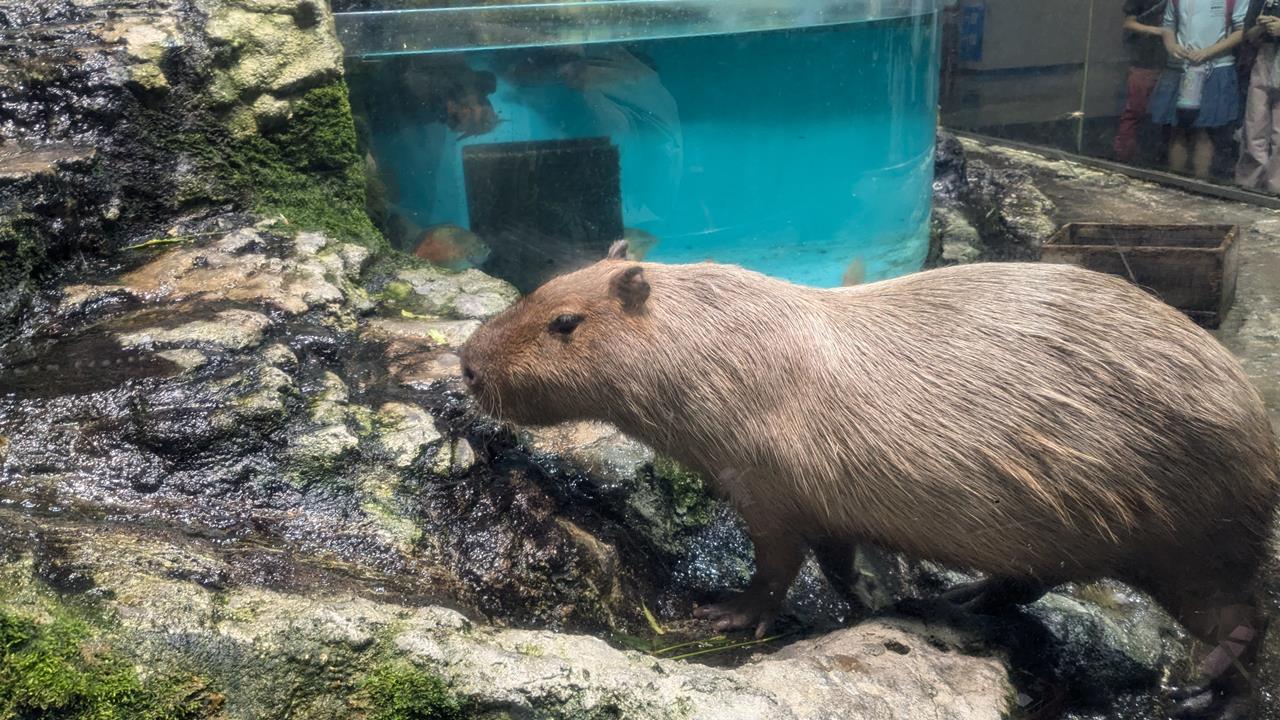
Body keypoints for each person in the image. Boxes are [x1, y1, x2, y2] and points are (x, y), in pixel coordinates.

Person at [1148, 0, 1249, 179]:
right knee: (1178, 129)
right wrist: (1171, 46)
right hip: (1180, 68)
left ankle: (1200, 185)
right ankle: (1174, 183)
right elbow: (1168, 26)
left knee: (1205, 131)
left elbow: (1241, 31)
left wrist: (1209, 52)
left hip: (1216, 67)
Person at [1116, 0, 1169, 162]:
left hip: (1172, 61)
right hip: (1145, 59)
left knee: (1167, 115)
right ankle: (1125, 157)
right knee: (1136, 110)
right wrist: (1159, 31)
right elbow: (1129, 24)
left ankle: (1160, 159)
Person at [1236, 0, 1280, 191]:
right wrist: (1260, 29)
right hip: (1264, 57)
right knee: (1254, 125)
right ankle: (1249, 185)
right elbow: (1248, 35)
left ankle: (1276, 188)